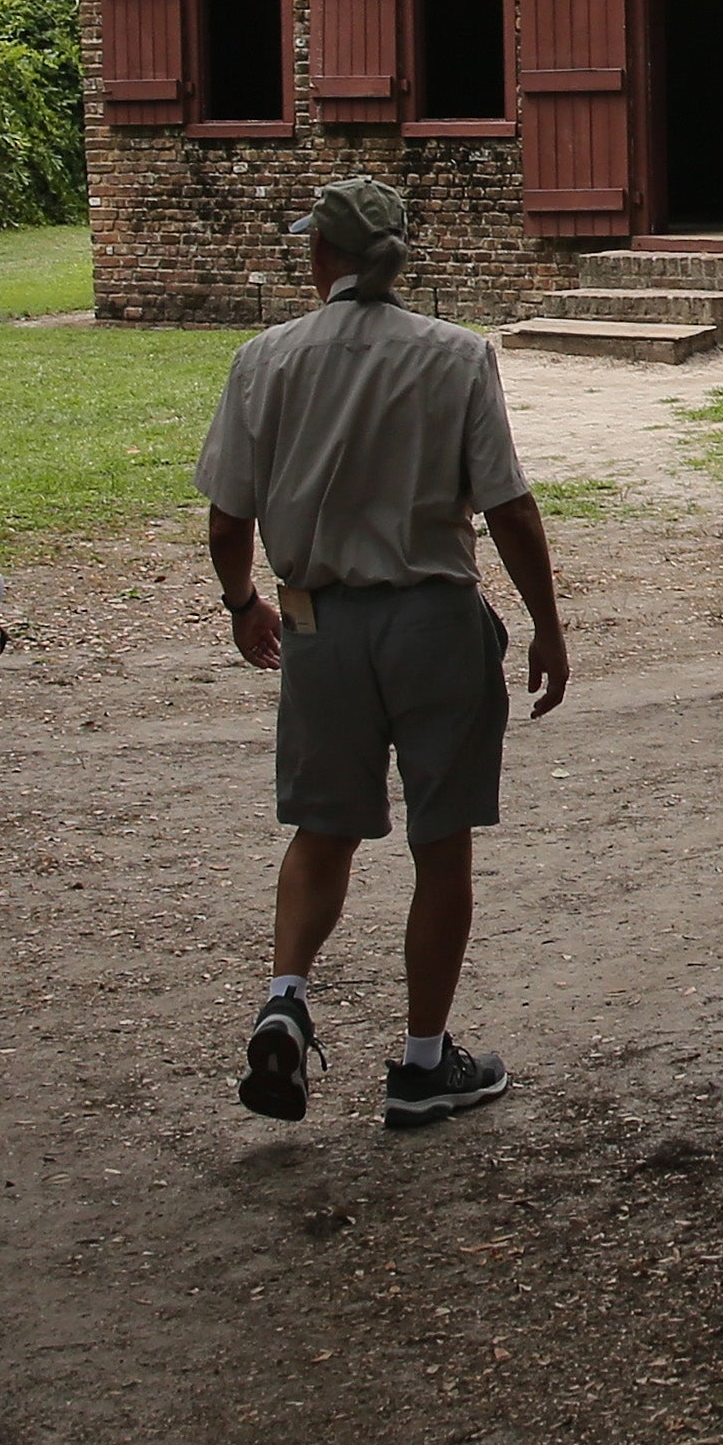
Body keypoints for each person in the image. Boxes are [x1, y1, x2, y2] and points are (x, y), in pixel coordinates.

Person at [200, 174, 570, 1132]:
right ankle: (418, 1060)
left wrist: (244, 601)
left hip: (320, 622)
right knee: (439, 843)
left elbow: (227, 510)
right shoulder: (454, 357)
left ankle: (285, 994)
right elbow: (508, 504)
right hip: (432, 616)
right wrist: (546, 622)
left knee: (321, 832)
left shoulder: (265, 359)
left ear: (323, 256)